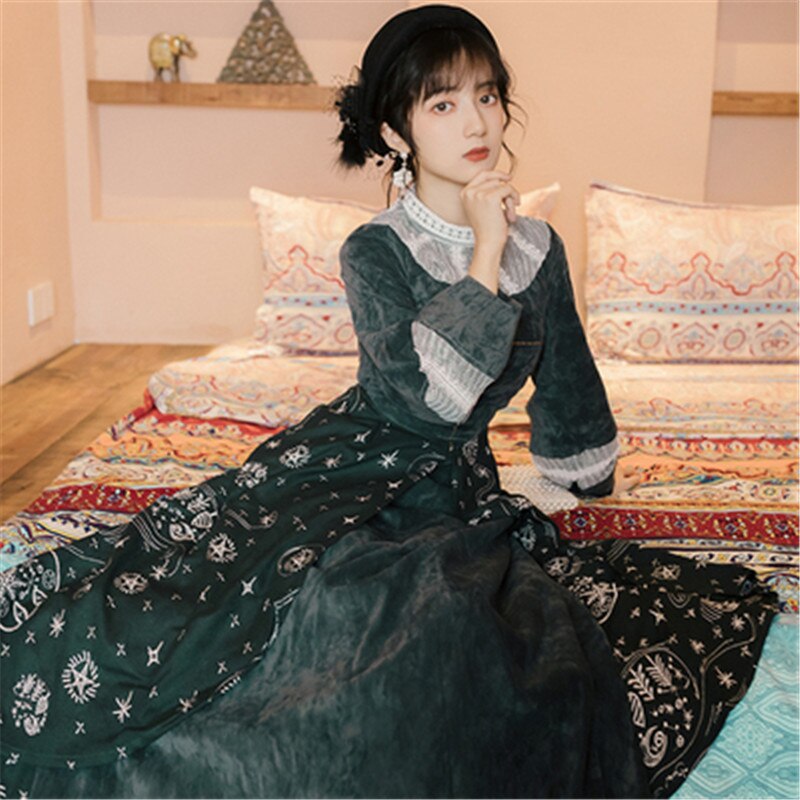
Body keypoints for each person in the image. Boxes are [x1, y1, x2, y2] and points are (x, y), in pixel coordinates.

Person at [0, 5, 777, 798]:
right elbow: (425, 404)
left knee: (453, 635)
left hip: (458, 486)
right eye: (442, 103)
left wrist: (580, 477)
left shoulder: (539, 250)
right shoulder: (376, 249)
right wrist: (484, 250)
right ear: (396, 130)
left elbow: (570, 382)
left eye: (487, 95)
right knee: (298, 606)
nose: (475, 121)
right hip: (355, 462)